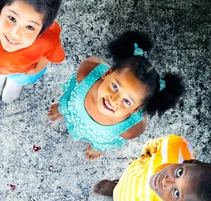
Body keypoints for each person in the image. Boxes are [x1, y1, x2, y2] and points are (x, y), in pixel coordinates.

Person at [48, 30, 184, 160]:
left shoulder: (130, 129)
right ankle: (63, 110)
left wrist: (98, 145)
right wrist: (64, 108)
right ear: (107, 73)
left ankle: (95, 146)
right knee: (67, 107)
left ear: (137, 109)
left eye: (127, 101)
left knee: (99, 142)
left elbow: (140, 121)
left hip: (99, 137)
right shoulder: (87, 74)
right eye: (115, 86)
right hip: (74, 110)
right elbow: (93, 62)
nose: (114, 100)